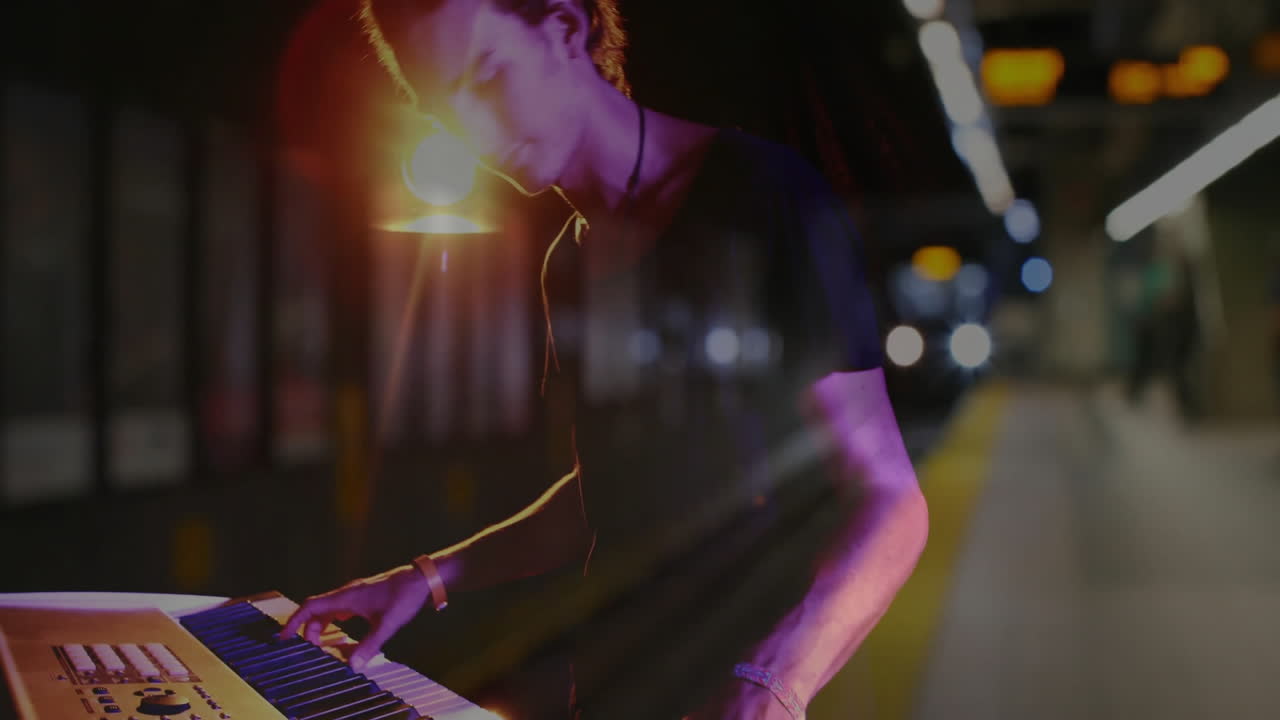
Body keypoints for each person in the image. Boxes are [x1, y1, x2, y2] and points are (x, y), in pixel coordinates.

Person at [281, 1, 928, 718]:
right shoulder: (568, 262)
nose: (473, 133)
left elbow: (892, 502)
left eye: (487, 77)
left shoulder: (767, 196)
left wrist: (773, 682)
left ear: (564, 28)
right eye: (444, 112)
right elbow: (605, 497)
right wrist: (429, 575)